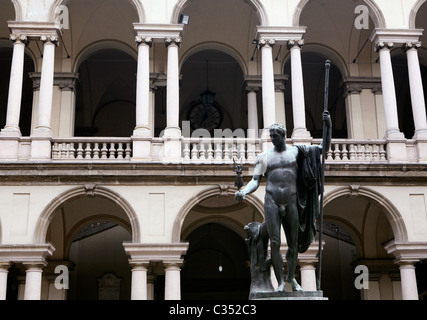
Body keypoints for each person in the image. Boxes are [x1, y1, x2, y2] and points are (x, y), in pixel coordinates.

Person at [235, 111, 332, 292]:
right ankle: (280, 282)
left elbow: (322, 149)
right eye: (270, 136)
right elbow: (255, 181)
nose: (272, 138)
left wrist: (328, 126)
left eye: (275, 136)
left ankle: (291, 279)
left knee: (293, 244)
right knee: (275, 242)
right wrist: (244, 192)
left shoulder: (296, 152)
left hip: (292, 200)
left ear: (283, 136)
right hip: (271, 200)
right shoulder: (263, 157)